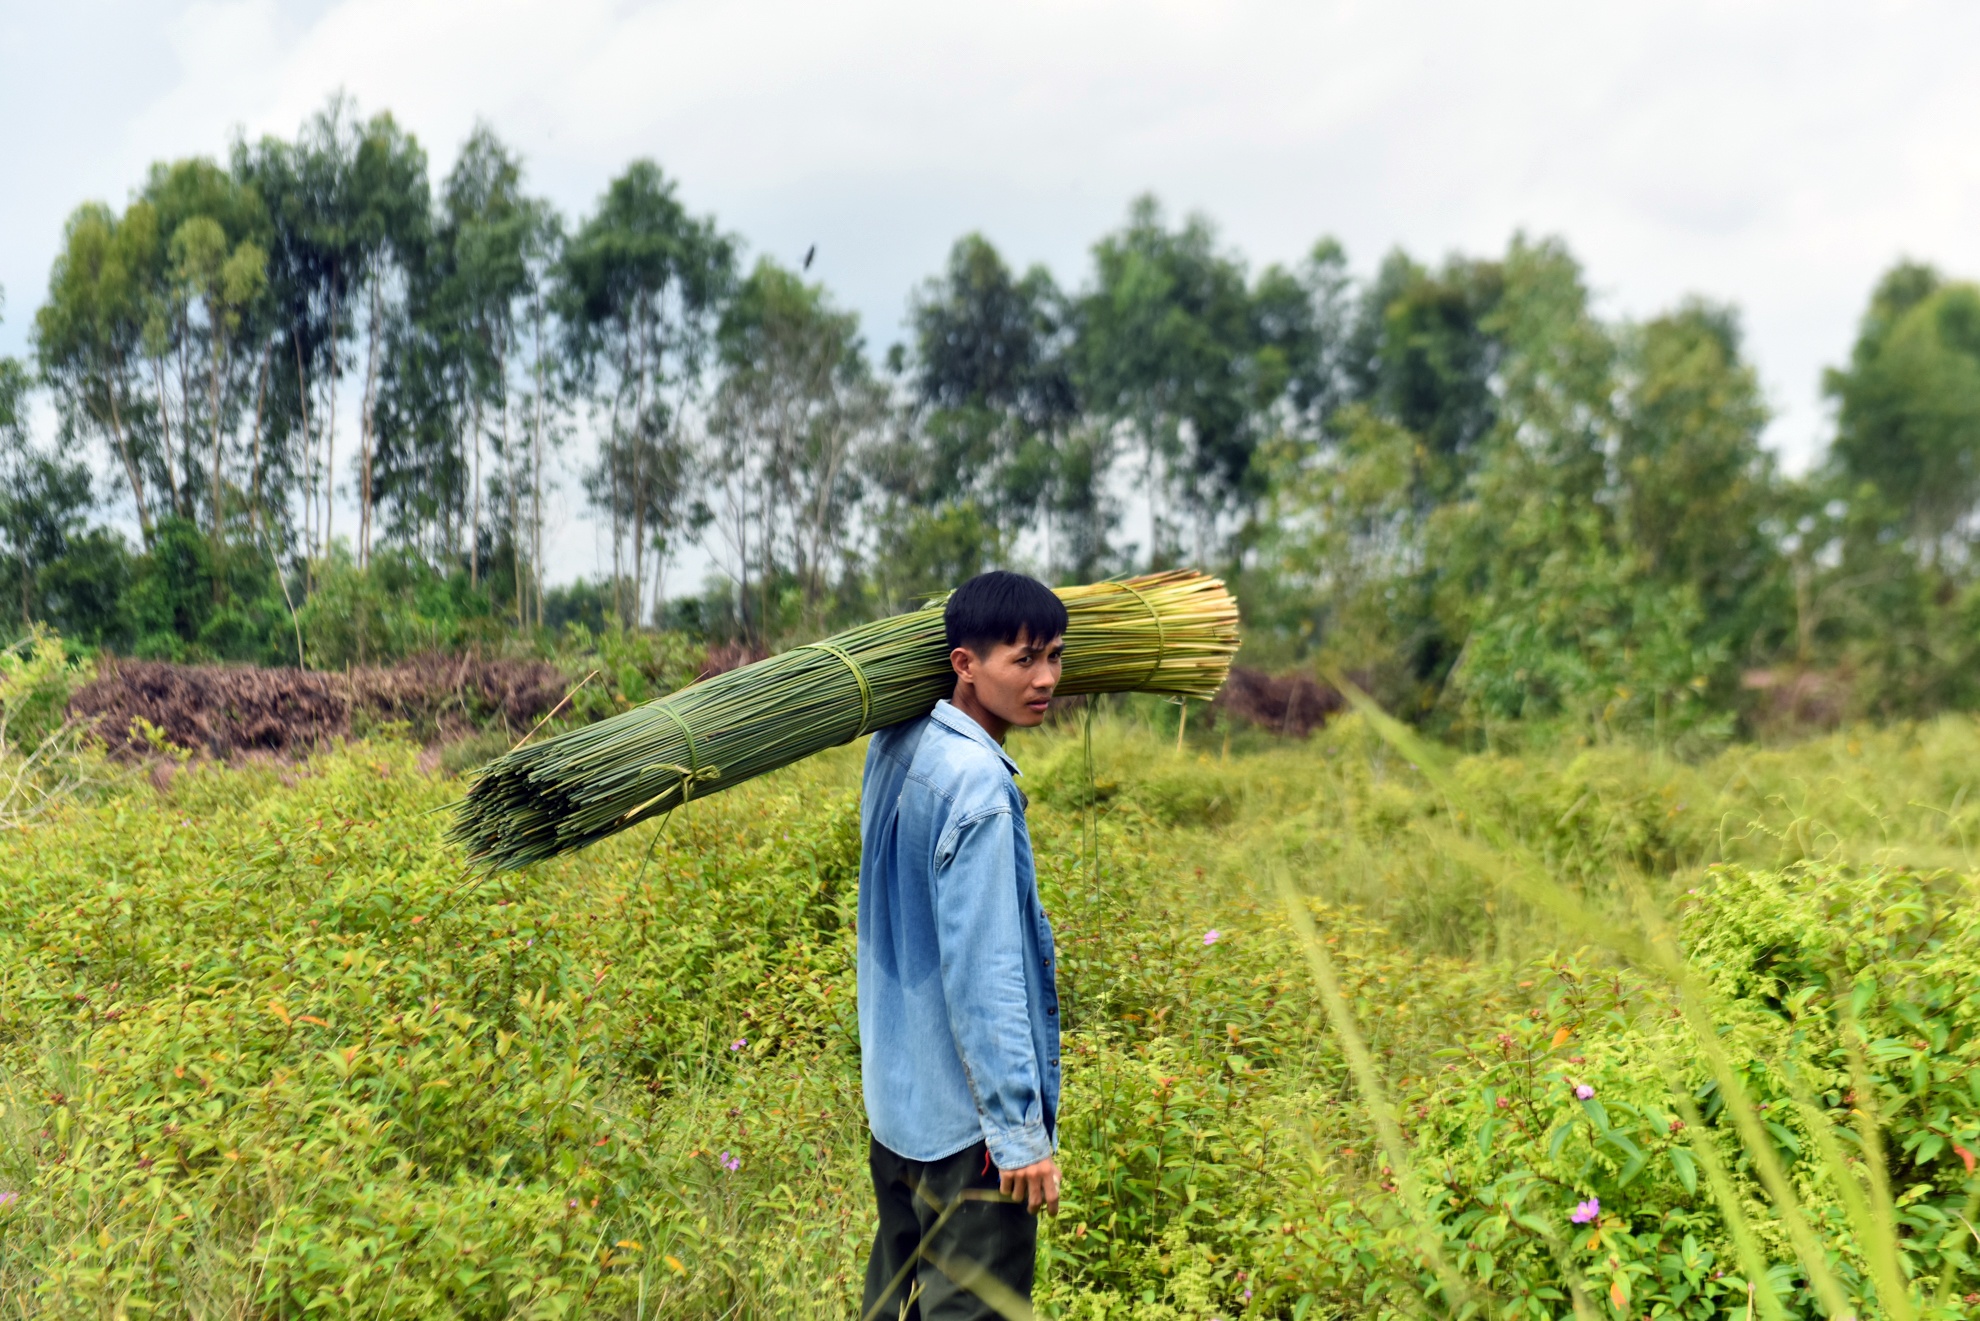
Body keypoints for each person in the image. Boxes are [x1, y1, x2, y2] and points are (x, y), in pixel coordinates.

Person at [858, 570, 1067, 1320]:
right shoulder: (978, 786)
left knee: (891, 1304)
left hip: (897, 1108)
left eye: (1055, 656)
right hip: (965, 1129)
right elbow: (986, 975)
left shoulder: (894, 742)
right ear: (965, 663)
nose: (1045, 678)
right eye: (1024, 659)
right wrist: (1018, 1134)